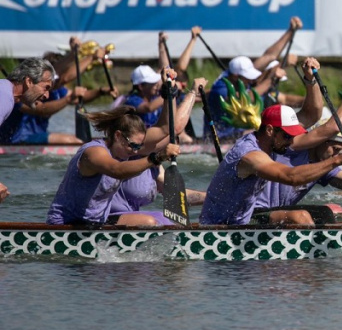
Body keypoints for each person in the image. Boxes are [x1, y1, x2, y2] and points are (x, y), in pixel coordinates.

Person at [45, 73, 203, 227]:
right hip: (68, 225)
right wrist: (156, 158)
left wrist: (169, 93)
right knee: (148, 223)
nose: (136, 151)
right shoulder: (94, 152)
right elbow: (117, 169)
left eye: (138, 146)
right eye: (133, 146)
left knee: (167, 222)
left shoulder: (125, 147)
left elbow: (166, 128)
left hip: (97, 223)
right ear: (118, 136)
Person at [200, 103, 342, 227]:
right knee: (299, 217)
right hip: (222, 227)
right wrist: (337, 160)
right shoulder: (250, 155)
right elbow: (290, 177)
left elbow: (310, 113)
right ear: (270, 131)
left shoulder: (271, 145)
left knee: (324, 214)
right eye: (287, 136)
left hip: (244, 221)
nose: (291, 141)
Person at [0, 58, 57, 202]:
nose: (46, 96)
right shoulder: (5, 97)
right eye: (46, 87)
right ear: (29, 82)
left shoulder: (5, 90)